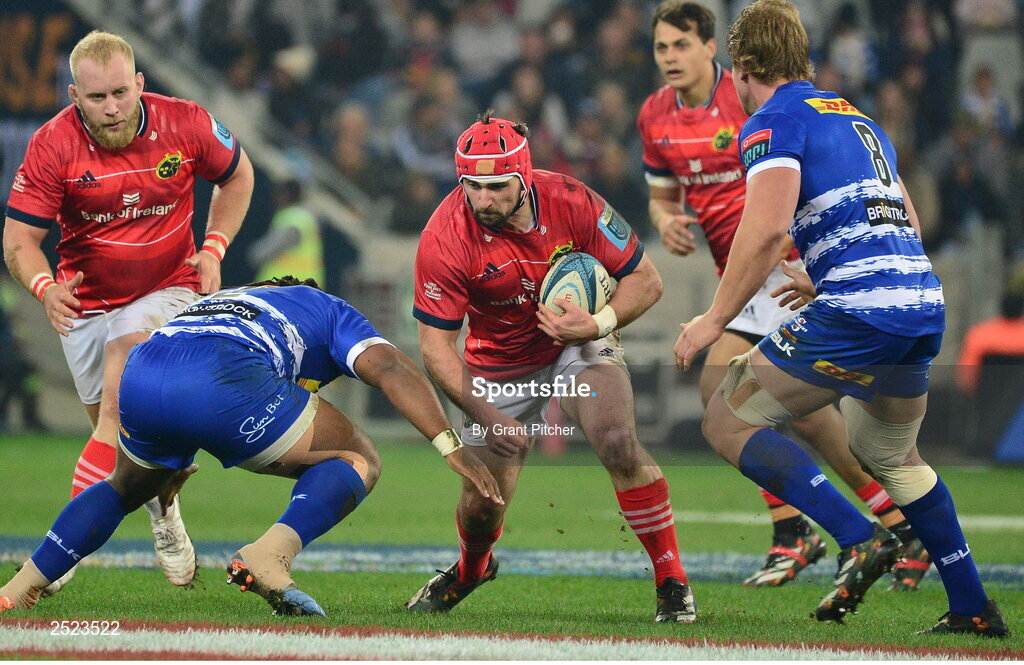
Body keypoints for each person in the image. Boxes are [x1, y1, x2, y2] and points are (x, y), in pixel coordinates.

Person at [674, 0, 1008, 636]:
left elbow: (766, 229)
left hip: (862, 310)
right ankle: (971, 606)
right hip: (919, 304)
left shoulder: (772, 122)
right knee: (890, 453)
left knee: (725, 416)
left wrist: (715, 318)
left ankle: (860, 538)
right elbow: (906, 223)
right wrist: (825, 271)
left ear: (743, 67)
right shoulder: (859, 120)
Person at [638, 0, 929, 589]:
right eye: (662, 46)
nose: (671, 57)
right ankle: (886, 526)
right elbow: (662, 196)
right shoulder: (654, 116)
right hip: (741, 272)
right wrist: (665, 220)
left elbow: (778, 205)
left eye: (681, 45)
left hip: (784, 262)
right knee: (799, 415)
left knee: (730, 392)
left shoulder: (751, 100)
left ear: (712, 50)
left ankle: (824, 530)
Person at [0, 277, 502, 617]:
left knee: (124, 487)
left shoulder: (230, 298)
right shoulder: (327, 309)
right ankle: (268, 556)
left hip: (144, 372)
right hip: (225, 375)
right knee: (357, 457)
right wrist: (450, 446)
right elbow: (390, 367)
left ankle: (19, 589)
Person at [406, 111, 696, 623]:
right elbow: (435, 348)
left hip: (577, 339)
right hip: (500, 359)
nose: (483, 200)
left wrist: (597, 323)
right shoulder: (444, 237)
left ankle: (672, 581)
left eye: (497, 187)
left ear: (524, 177)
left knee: (616, 439)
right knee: (483, 503)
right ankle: (472, 570)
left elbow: (646, 280)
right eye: (472, 186)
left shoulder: (573, 200)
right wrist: (487, 415)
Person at [2, 31, 255, 594]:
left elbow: (239, 174)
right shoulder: (52, 146)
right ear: (74, 96)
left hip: (169, 287)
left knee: (120, 384)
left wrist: (214, 247)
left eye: (121, 92)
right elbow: (19, 240)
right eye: (97, 98)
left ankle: (54, 562)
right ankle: (164, 508)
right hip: (86, 304)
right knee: (122, 443)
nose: (112, 107)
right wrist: (45, 288)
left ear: (140, 83)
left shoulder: (185, 123)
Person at [248, 179, 325, 287]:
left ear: (286, 194)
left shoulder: (293, 219)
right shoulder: (306, 218)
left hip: (284, 288)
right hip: (300, 288)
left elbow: (263, 252)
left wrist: (254, 254)